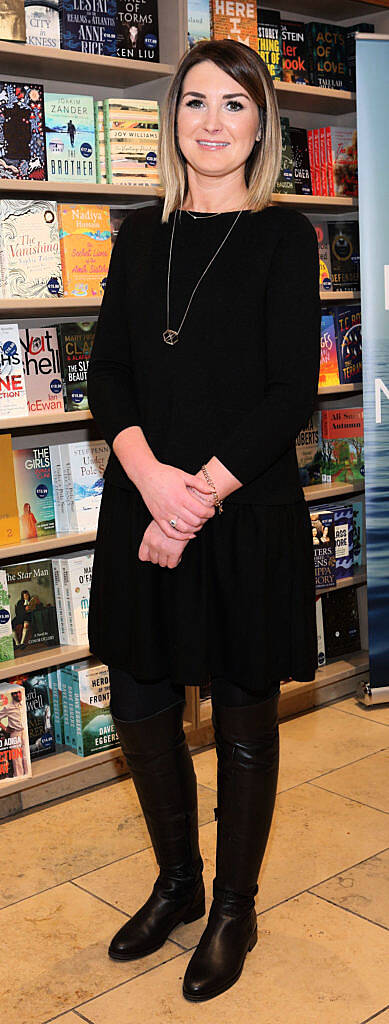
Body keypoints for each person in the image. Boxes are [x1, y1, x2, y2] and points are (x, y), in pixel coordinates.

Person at [87, 37, 320, 1002]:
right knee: (141, 705)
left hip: (241, 511)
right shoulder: (139, 236)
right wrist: (152, 483)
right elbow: (109, 376)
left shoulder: (283, 237)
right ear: (171, 118)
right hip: (143, 506)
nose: (210, 121)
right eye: (193, 102)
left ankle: (233, 905)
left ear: (260, 122)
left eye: (233, 103)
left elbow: (287, 393)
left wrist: (197, 496)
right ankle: (178, 882)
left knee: (242, 715)